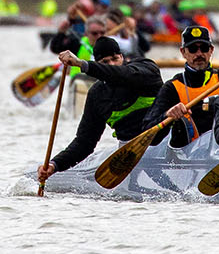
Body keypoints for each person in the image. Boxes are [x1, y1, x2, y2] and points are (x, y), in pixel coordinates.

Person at [35, 37, 164, 183]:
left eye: (115, 58)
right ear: (98, 64)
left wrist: (82, 64)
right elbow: (84, 143)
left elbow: (121, 74)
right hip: (129, 153)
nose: (112, 64)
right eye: (105, 62)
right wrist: (54, 164)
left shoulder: (145, 68)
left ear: (122, 57)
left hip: (165, 143)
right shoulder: (97, 94)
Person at [147, 24, 219, 146]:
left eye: (204, 48)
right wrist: (167, 116)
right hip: (186, 153)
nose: (199, 54)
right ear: (183, 52)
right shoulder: (172, 88)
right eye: (192, 49)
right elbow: (149, 133)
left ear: (211, 50)